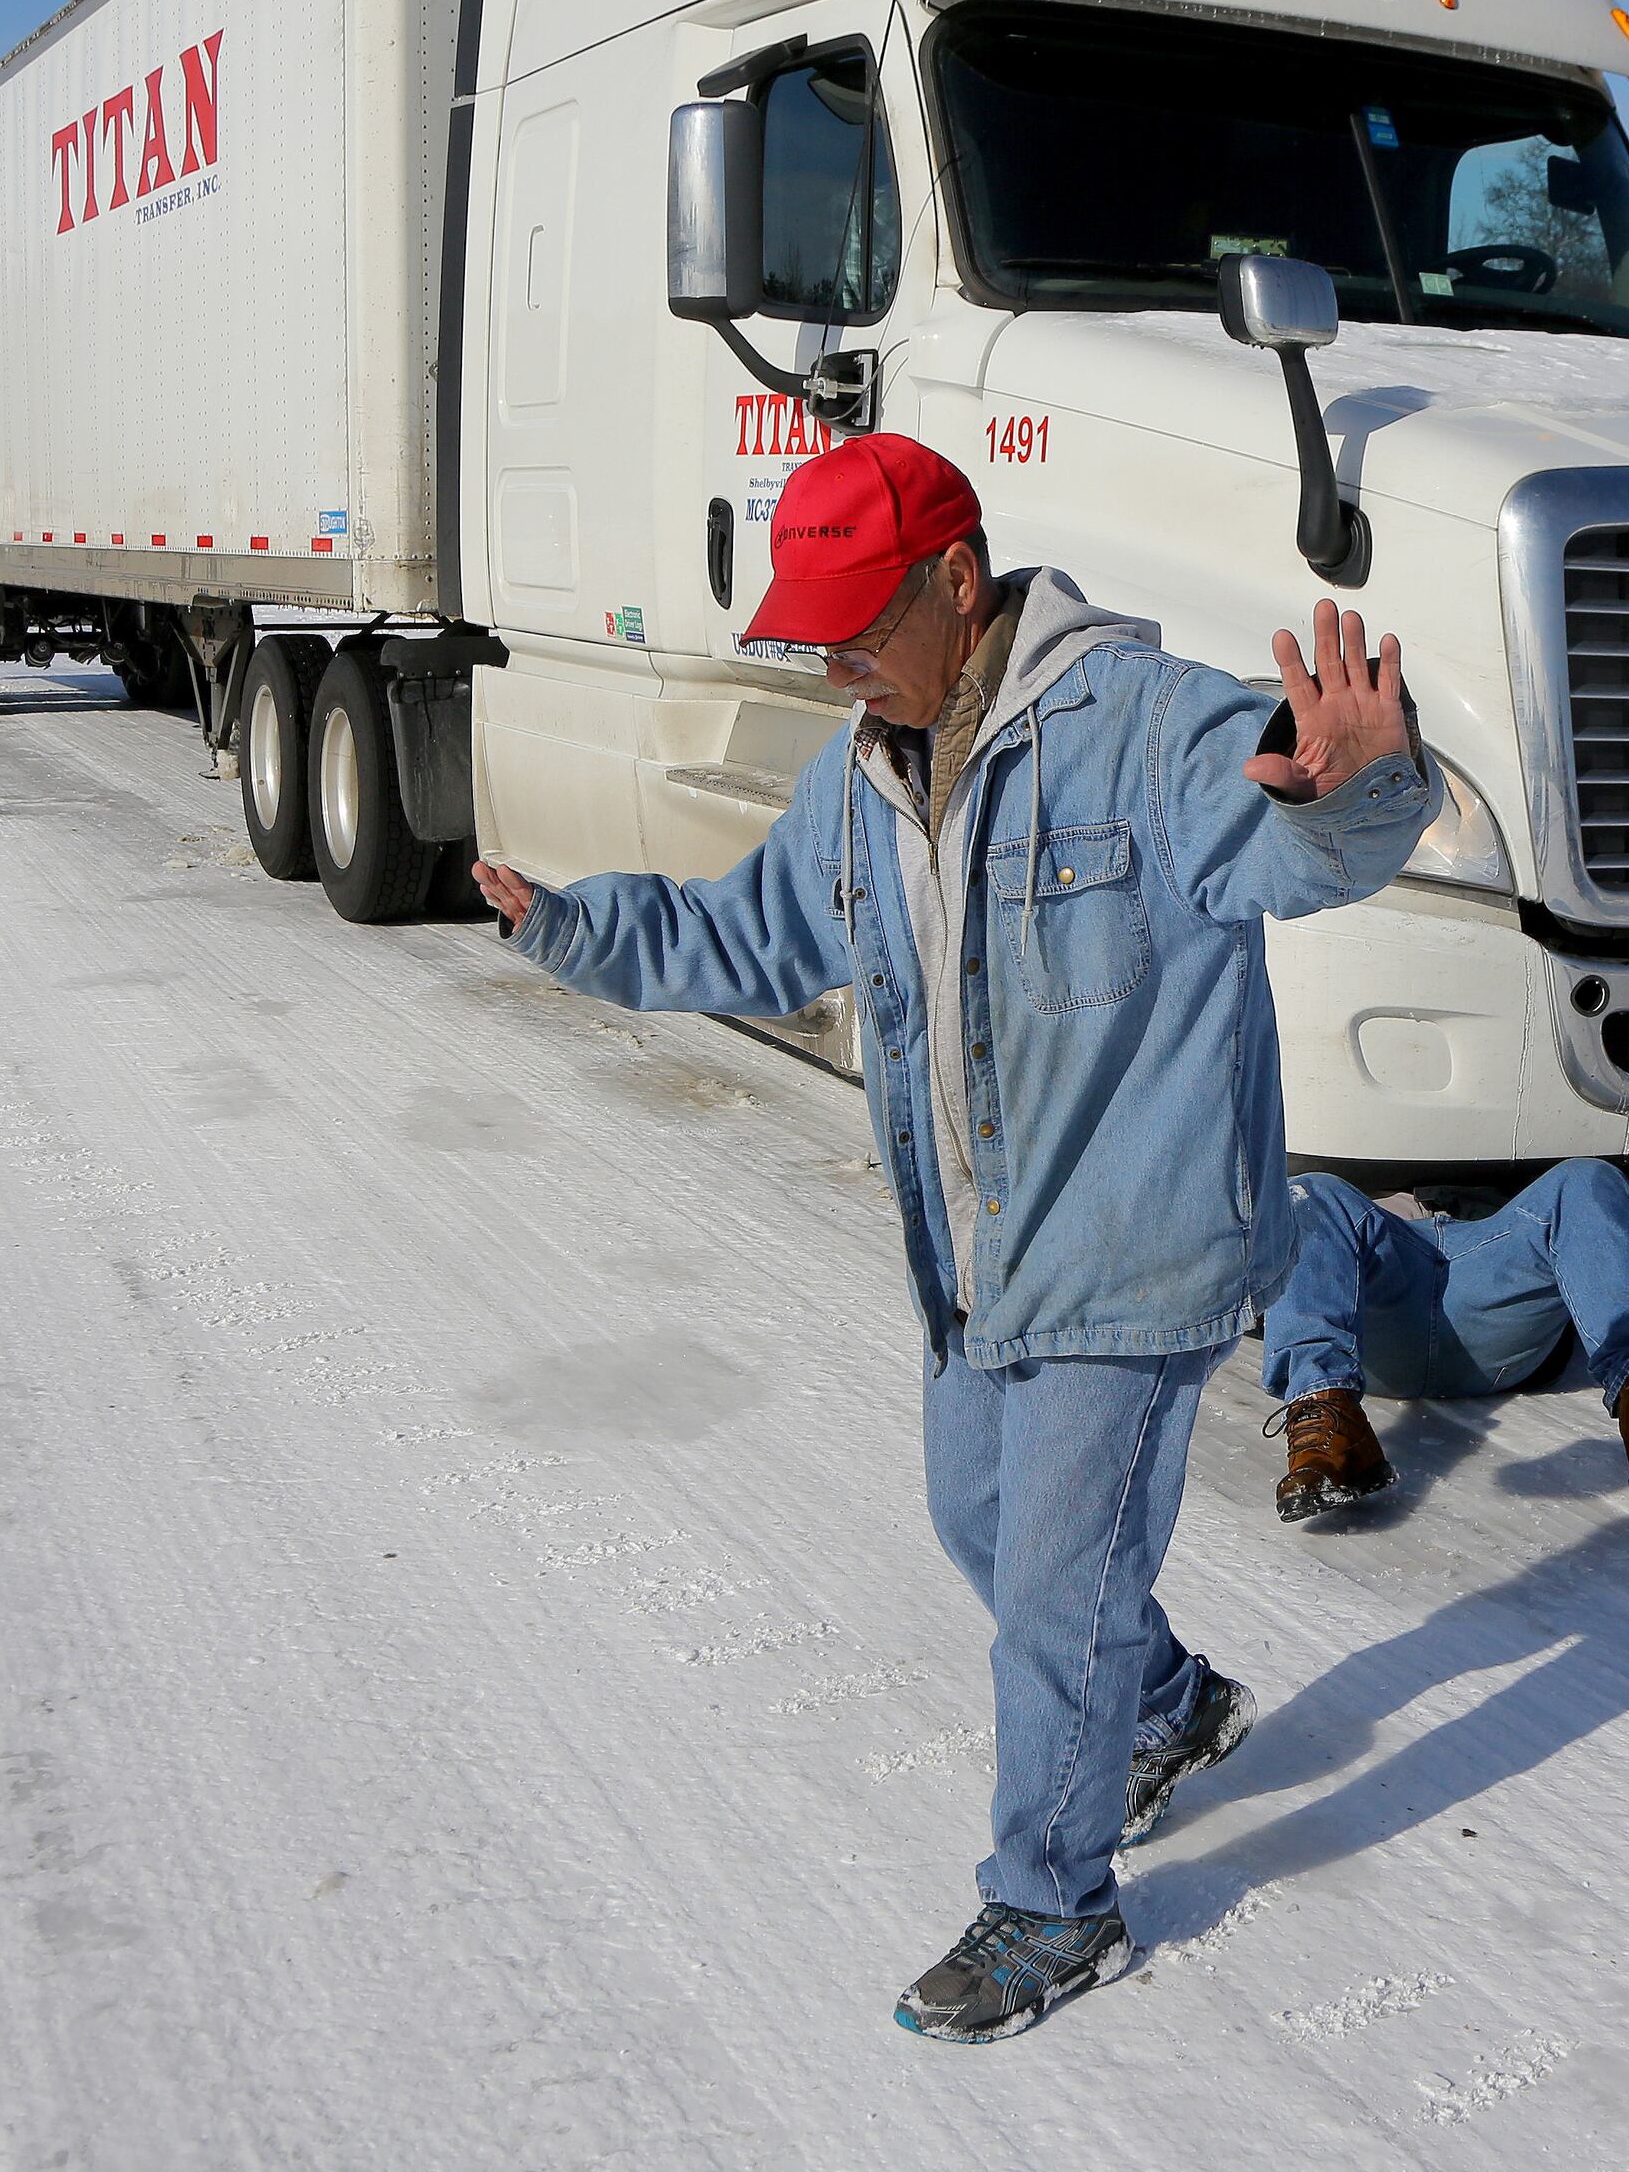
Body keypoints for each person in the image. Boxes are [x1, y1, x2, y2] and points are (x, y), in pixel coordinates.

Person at [473, 433, 1439, 2045]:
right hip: (977, 1255)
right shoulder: (858, 777)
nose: (831, 654)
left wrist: (1370, 786)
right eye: (814, 624)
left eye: (857, 616)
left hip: (1133, 1252)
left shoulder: (1138, 722)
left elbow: (1302, 837)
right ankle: (1169, 1707)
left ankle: (1054, 1905)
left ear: (958, 582)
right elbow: (750, 931)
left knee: (1055, 1590)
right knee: (975, 1513)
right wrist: (577, 926)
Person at [1257, 1168, 1629, 1522]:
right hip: (1380, 1305)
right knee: (1309, 1192)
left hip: (1492, 1284)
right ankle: (1330, 1423)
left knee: (1587, 1179)